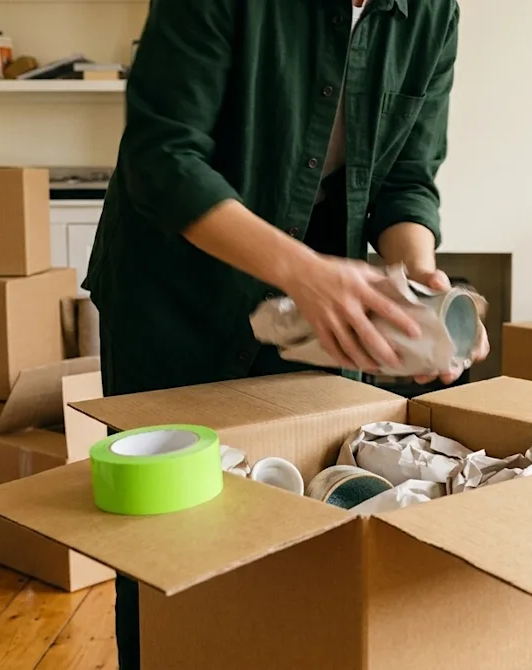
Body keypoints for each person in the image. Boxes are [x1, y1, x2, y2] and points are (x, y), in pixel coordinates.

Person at [82, 0, 484, 667]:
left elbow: (408, 177)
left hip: (320, 307)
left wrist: (414, 278)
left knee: (311, 537)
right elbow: (163, 154)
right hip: (175, 297)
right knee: (166, 545)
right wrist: (303, 275)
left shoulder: (433, 11)